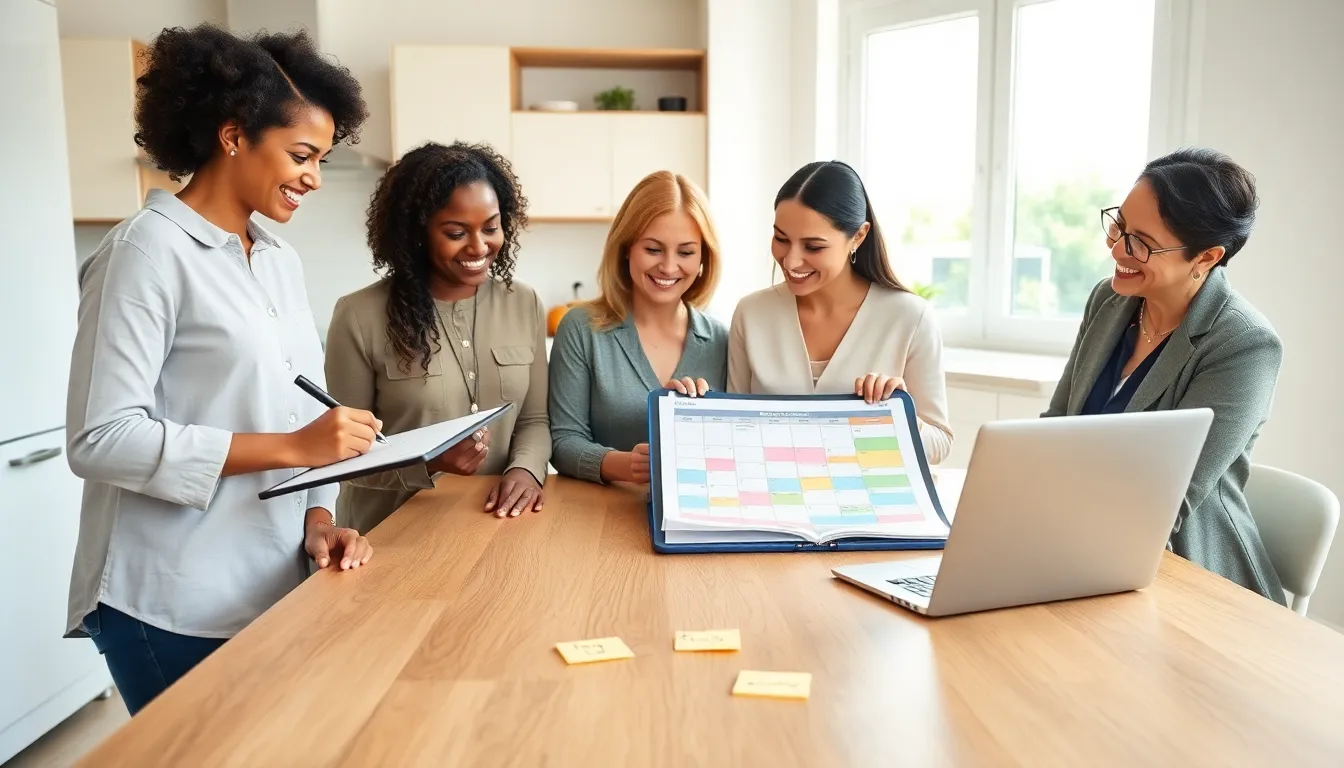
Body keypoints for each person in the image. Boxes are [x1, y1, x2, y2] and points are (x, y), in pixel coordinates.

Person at [64, 24, 375, 716]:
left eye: (322, 159)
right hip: (171, 601)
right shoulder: (144, 253)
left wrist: (319, 521)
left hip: (271, 584)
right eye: (302, 154)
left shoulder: (278, 260)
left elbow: (300, 416)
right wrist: (297, 448)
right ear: (233, 136)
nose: (314, 178)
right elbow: (100, 437)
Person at [1044, 148, 1285, 603]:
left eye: (1141, 242)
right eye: (1119, 226)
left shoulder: (1244, 344)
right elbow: (1055, 425)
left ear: (1206, 257)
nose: (1117, 249)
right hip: (1076, 549)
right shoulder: (1109, 301)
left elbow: (1166, 502)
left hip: (1187, 577)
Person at [325, 141, 550, 531]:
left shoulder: (524, 303)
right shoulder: (358, 316)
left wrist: (527, 471)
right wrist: (428, 464)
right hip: (388, 538)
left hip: (494, 531)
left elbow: (534, 419)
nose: (479, 246)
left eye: (491, 227)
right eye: (456, 232)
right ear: (418, 231)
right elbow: (342, 456)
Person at [726, 160, 953, 464]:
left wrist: (900, 410)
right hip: (775, 502)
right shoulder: (751, 313)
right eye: (781, 239)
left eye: (813, 247)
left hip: (870, 505)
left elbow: (939, 445)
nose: (791, 261)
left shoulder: (910, 318)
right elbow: (730, 428)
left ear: (858, 236)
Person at [549, 171, 727, 484]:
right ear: (626, 247)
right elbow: (563, 442)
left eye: (685, 252)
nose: (669, 267)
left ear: (703, 259)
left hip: (691, 522)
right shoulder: (580, 329)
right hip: (599, 516)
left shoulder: (722, 340)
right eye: (653, 249)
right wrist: (627, 464)